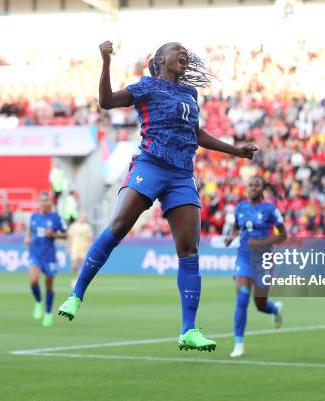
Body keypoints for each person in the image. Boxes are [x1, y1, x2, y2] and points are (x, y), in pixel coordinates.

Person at [58, 40, 257, 352]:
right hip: (150, 165)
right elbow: (107, 101)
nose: (184, 53)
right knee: (119, 224)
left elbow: (196, 134)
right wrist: (106, 62)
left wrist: (236, 151)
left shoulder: (190, 94)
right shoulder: (146, 87)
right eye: (176, 49)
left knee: (189, 248)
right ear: (160, 59)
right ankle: (77, 293)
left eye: (185, 51)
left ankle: (189, 330)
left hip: (180, 175)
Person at [224, 176, 287, 358]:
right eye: (250, 185)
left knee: (260, 304)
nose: (253, 187)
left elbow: (283, 235)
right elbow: (236, 228)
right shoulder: (240, 208)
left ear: (261, 188)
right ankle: (238, 344)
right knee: (242, 297)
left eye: (256, 185)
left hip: (264, 260)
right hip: (244, 257)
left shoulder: (270, 209)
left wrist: (261, 243)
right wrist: (230, 237)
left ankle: (274, 309)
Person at [25, 192, 67, 327]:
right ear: (39, 202)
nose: (44, 203)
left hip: (49, 256)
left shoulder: (56, 218)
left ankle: (48, 313)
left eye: (46, 200)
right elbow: (29, 230)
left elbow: (65, 235)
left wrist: (53, 234)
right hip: (35, 254)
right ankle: (38, 302)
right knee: (33, 280)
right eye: (41, 200)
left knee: (49, 286)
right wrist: (27, 238)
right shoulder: (34, 216)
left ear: (50, 202)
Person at [66, 213, 93, 289]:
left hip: (84, 249)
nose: (83, 218)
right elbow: (69, 238)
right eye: (82, 217)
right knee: (74, 265)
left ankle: (80, 280)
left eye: (84, 217)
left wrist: (90, 247)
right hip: (75, 248)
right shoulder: (73, 226)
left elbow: (90, 238)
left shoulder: (87, 227)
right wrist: (67, 248)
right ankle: (74, 279)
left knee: (82, 266)